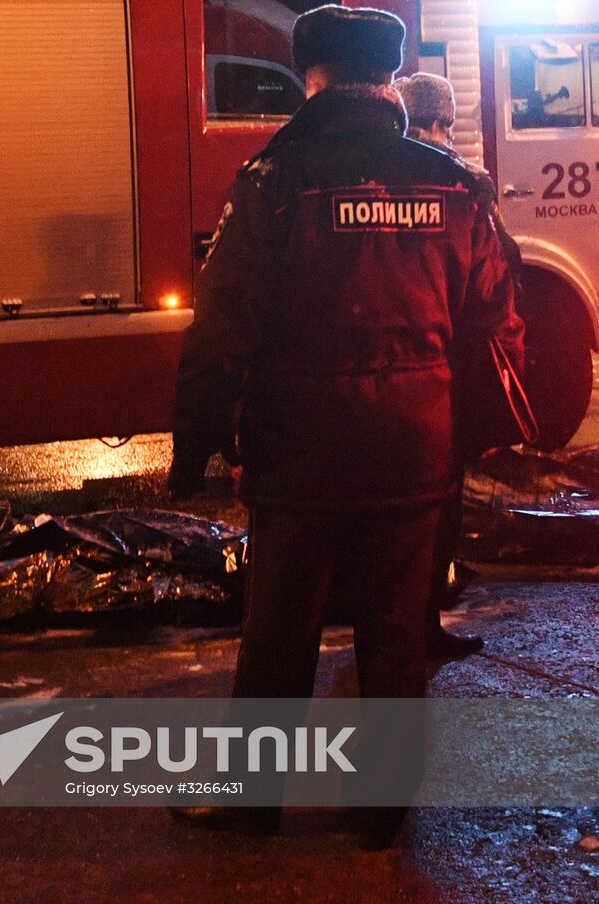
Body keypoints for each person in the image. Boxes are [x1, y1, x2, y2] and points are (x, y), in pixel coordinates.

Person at [168, 6, 524, 847]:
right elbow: (501, 325)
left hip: (301, 456)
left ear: (311, 79)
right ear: (391, 80)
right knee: (397, 632)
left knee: (280, 634)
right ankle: (380, 815)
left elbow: (221, 326)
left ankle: (253, 803)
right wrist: (451, 429)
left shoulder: (273, 180)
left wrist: (197, 440)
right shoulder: (454, 185)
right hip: (413, 455)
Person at [394, 72, 522, 661]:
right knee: (435, 509)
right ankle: (419, 630)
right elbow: (497, 285)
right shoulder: (463, 185)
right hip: (441, 382)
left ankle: (391, 632)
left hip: (370, 380)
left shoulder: (370, 174)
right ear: (444, 121)